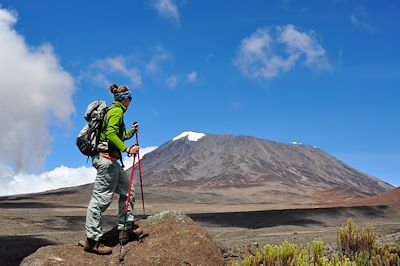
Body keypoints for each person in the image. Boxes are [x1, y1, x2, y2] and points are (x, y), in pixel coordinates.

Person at [83, 84, 143, 255]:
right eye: (130, 99)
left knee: (128, 191)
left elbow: (117, 135)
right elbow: (110, 135)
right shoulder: (116, 112)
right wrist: (127, 149)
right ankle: (92, 240)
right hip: (107, 161)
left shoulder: (115, 112)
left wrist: (132, 131)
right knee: (100, 200)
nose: (130, 102)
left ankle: (125, 229)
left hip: (112, 162)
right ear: (126, 99)